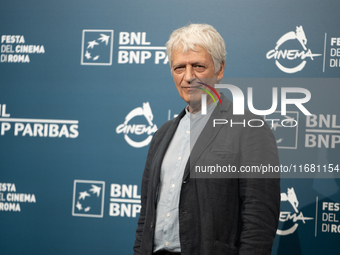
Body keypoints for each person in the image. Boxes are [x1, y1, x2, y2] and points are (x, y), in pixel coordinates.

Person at [133, 23, 280, 255]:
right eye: (179, 67)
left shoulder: (250, 129)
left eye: (198, 66)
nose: (188, 77)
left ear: (219, 70)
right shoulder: (162, 134)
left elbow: (259, 221)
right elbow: (146, 216)